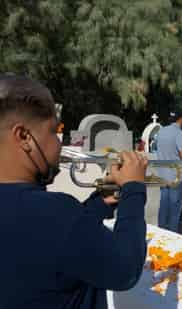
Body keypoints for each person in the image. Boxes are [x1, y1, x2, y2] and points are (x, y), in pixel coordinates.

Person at [0, 75, 148, 309]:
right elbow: (126, 270)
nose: (60, 144)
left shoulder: (53, 216)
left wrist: (101, 202)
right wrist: (134, 189)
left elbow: (56, 240)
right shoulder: (55, 211)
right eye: (53, 132)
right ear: (24, 137)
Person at [156, 109, 182, 233]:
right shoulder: (179, 133)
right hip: (176, 176)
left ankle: (161, 232)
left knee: (164, 206)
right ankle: (172, 235)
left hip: (162, 175)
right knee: (175, 208)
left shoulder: (161, 131)